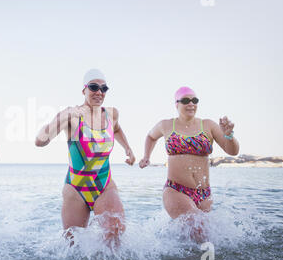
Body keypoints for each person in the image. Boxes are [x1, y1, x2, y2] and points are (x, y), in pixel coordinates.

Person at [35, 69, 135, 246]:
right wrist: (61, 117)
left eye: (104, 88)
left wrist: (127, 148)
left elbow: (117, 129)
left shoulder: (111, 114)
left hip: (104, 184)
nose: (99, 92)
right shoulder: (72, 115)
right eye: (94, 87)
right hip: (76, 187)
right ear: (84, 90)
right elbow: (40, 141)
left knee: (116, 233)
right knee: (73, 245)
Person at [139, 86, 239, 241]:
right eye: (186, 100)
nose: (191, 103)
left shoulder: (208, 125)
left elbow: (232, 151)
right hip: (176, 190)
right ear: (176, 104)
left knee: (197, 240)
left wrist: (229, 136)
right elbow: (151, 137)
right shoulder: (166, 125)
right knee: (201, 231)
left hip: (204, 194)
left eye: (194, 100)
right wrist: (146, 156)